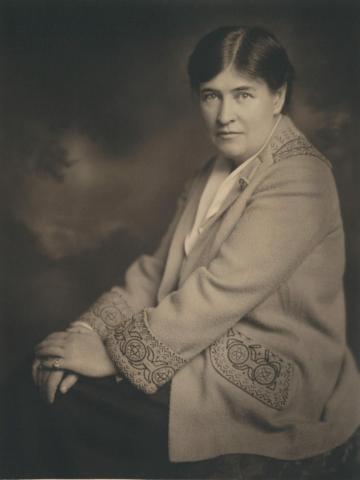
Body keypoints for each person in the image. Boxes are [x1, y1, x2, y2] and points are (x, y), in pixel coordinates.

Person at [1, 25, 360, 479]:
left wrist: (109, 356)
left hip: (268, 375)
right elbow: (154, 274)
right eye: (211, 96)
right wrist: (86, 332)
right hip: (194, 345)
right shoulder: (209, 174)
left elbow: (219, 292)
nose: (225, 115)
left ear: (278, 95)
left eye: (243, 95)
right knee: (37, 377)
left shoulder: (301, 177)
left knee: (54, 403)